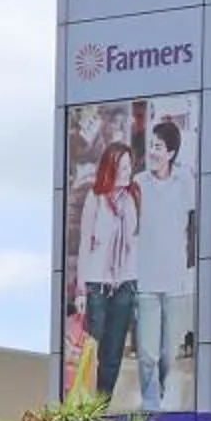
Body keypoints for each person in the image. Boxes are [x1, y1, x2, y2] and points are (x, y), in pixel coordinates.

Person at [132, 115, 197, 410]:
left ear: (170, 152)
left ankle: (164, 391)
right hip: (145, 279)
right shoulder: (138, 184)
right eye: (151, 146)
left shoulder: (184, 182)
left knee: (169, 350)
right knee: (147, 352)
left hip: (175, 281)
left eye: (159, 147)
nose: (153, 152)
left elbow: (194, 224)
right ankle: (150, 402)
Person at [74, 143, 141, 400]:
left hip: (125, 282)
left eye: (129, 166)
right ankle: (84, 401)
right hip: (98, 284)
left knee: (113, 353)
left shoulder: (134, 197)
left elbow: (136, 239)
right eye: (121, 167)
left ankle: (101, 405)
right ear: (109, 168)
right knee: (93, 347)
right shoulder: (96, 198)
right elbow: (84, 243)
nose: (127, 172)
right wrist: (81, 290)